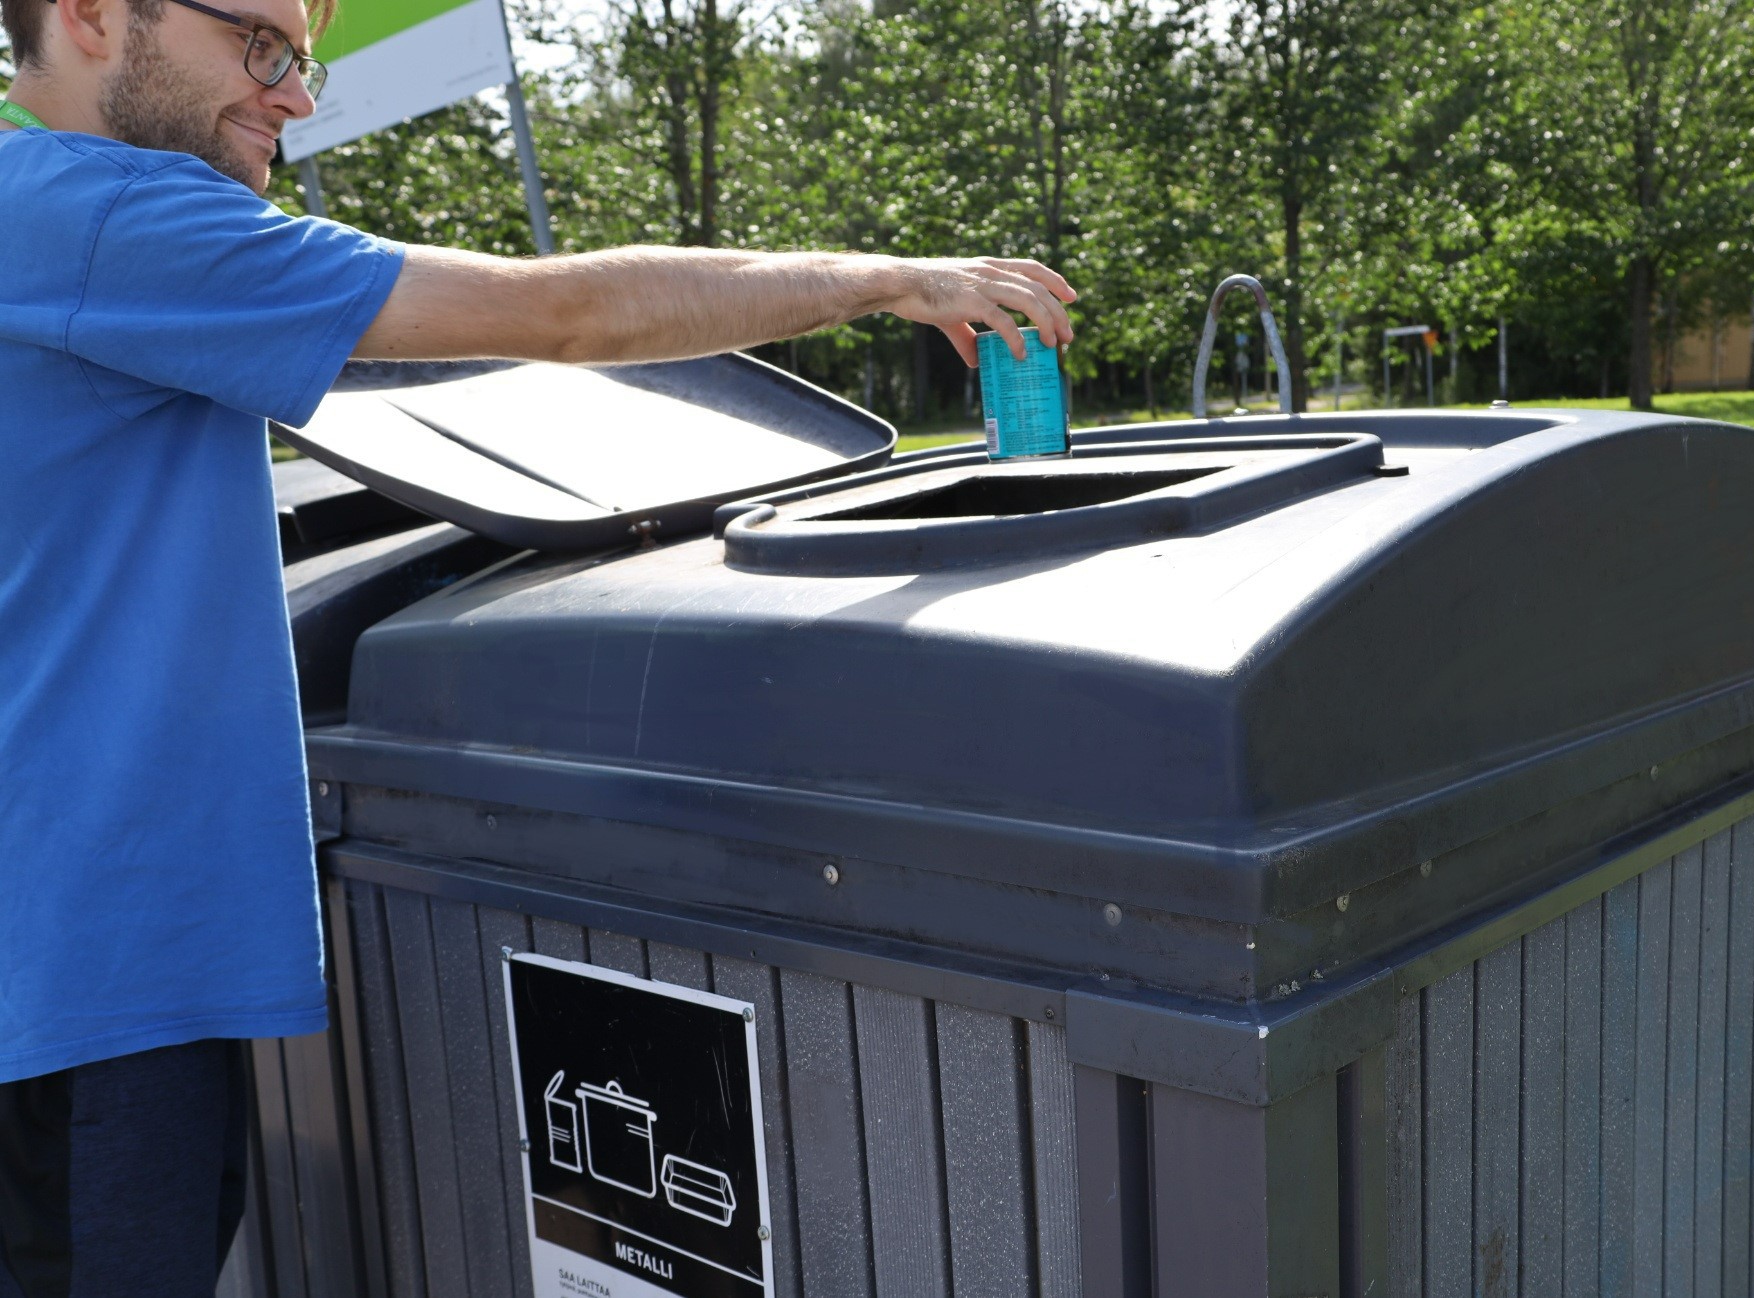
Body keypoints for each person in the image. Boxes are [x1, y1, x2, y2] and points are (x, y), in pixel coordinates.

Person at [0, 0, 1076, 1287]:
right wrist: (891, 277)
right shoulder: (107, 215)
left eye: (303, 58)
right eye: (261, 46)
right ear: (95, 15)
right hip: (95, 968)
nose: (294, 94)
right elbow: (565, 315)